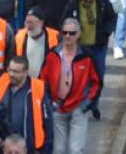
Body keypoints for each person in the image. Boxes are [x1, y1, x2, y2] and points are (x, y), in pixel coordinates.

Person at [42, 17, 99, 154]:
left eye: (72, 33)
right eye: (65, 32)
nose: (68, 36)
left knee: (75, 150)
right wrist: (49, 102)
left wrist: (86, 104)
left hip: (78, 108)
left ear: (79, 34)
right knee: (59, 150)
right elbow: (42, 80)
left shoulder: (87, 56)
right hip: (58, 108)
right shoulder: (52, 55)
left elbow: (96, 82)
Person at [0, 55, 51, 154]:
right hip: (4, 146)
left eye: (16, 72)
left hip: (29, 148)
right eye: (10, 70)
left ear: (26, 72)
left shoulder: (37, 89)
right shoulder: (1, 85)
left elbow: (48, 123)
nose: (11, 74)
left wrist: (45, 150)